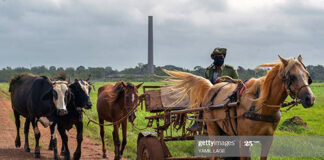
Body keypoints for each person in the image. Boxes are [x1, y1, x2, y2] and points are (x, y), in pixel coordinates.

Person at [188, 47, 239, 132]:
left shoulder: (230, 69)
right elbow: (206, 82)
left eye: (220, 56)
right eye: (216, 57)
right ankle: (199, 123)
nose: (218, 58)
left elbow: (237, 81)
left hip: (226, 92)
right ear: (214, 58)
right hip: (211, 92)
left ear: (224, 57)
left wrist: (224, 81)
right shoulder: (209, 70)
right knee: (202, 103)